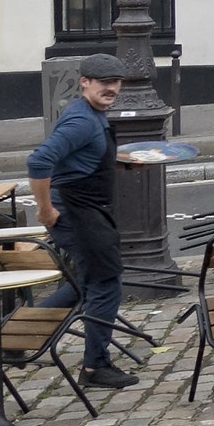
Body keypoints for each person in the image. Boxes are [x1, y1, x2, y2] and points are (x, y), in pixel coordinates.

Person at [25, 53, 134, 389]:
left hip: (85, 209)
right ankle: (95, 367)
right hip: (76, 213)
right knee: (105, 283)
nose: (111, 88)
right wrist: (45, 211)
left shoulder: (89, 114)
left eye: (115, 82)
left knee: (86, 282)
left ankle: (13, 339)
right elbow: (39, 161)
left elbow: (81, 157)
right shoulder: (82, 120)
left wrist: (119, 160)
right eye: (104, 82)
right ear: (84, 81)